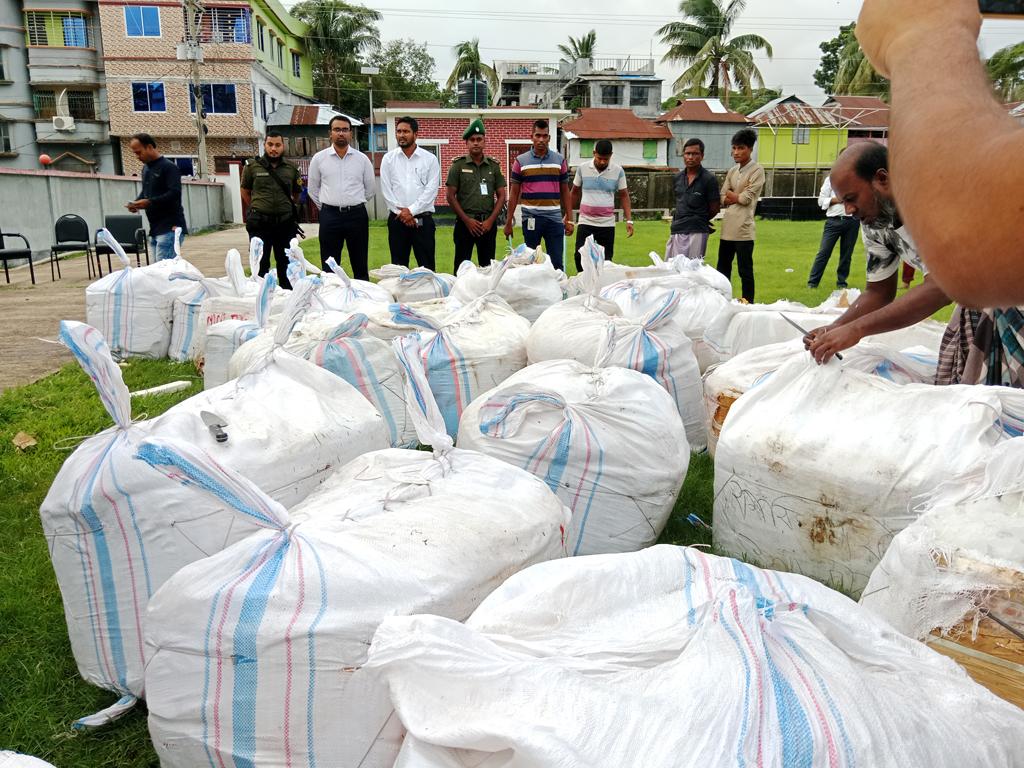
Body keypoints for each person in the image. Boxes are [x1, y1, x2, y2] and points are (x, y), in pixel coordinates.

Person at [854, 0, 1024, 307]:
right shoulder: (875, 228)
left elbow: (973, 243)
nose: (849, 209)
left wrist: (919, 29)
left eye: (851, 197)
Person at [805, 142, 984, 384]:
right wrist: (835, 328)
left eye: (851, 198)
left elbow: (941, 288)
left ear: (882, 179)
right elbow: (879, 291)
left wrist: (856, 330)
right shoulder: (875, 223)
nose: (848, 210)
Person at [307, 114, 375, 280]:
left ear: (351, 133)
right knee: (329, 264)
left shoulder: (362, 159)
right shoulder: (319, 159)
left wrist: (353, 202)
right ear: (330, 133)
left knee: (360, 263)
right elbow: (313, 189)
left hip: (356, 216)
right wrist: (327, 207)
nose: (341, 133)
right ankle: (331, 300)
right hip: (330, 216)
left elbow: (370, 189)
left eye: (345, 130)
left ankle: (362, 301)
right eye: (337, 129)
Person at [503, 119, 572, 271]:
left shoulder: (559, 160)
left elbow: (565, 191)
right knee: (531, 264)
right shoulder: (520, 161)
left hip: (554, 219)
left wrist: (570, 219)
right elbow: (514, 193)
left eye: (544, 136)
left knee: (556, 264)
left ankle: (559, 293)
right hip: (531, 219)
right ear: (531, 137)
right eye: (538, 135)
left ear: (549, 138)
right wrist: (508, 222)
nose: (541, 140)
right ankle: (534, 294)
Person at [241, 130, 303, 288]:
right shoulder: (252, 167)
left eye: (277, 145)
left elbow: (296, 193)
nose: (273, 149)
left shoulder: (292, 168)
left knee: (287, 265)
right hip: (260, 224)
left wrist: (285, 207)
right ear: (264, 145)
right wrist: (259, 206)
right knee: (260, 264)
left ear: (283, 146)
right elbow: (245, 192)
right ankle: (262, 300)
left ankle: (287, 298)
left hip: (284, 224)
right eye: (270, 144)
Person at [445, 118, 507, 271]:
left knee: (487, 269)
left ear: (485, 142)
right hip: (465, 224)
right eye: (472, 140)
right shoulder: (458, 166)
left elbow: (502, 196)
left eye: (479, 139)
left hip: (487, 224)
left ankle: (485, 295)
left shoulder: (494, 166)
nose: (476, 143)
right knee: (461, 268)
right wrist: (467, 220)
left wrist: (491, 221)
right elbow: (450, 196)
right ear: (467, 143)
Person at [380, 115, 440, 271]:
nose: (401, 135)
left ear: (416, 134)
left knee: (426, 268)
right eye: (399, 131)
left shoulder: (430, 159)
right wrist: (403, 214)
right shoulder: (388, 159)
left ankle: (429, 295)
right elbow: (386, 190)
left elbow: (431, 191)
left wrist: (411, 211)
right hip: (397, 221)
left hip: (422, 221)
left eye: (406, 131)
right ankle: (399, 296)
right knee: (398, 268)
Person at [567, 139, 633, 272]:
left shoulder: (618, 171)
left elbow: (624, 195)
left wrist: (629, 219)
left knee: (606, 261)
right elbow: (574, 193)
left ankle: (601, 287)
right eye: (599, 158)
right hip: (586, 221)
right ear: (594, 153)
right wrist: (567, 216)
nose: (602, 162)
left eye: (606, 159)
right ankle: (585, 284)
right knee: (579, 256)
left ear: (611, 155)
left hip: (606, 224)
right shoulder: (583, 168)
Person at [716, 128, 765, 302]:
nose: (736, 152)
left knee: (745, 270)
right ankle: (722, 301)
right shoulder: (732, 171)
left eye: (741, 148)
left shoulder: (757, 170)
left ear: (750, 149)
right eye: (734, 148)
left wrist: (733, 195)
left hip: (744, 229)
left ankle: (748, 303)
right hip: (727, 227)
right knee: (722, 269)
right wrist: (732, 196)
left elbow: (746, 199)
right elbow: (722, 196)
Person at [126, 133, 187, 260]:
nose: (137, 157)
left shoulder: (169, 167)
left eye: (139, 152)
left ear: (149, 147)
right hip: (155, 229)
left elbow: (174, 194)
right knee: (158, 273)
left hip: (170, 228)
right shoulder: (146, 169)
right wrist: (136, 203)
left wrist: (149, 202)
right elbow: (146, 192)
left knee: (163, 274)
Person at [665, 138, 720, 261]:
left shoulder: (709, 179)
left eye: (695, 154)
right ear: (683, 155)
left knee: (691, 271)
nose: (690, 157)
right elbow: (679, 203)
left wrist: (698, 218)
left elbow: (715, 208)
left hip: (697, 230)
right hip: (677, 228)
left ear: (702, 156)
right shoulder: (677, 178)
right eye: (687, 153)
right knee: (671, 268)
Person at [806, 173, 859, 289]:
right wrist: (839, 199)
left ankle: (842, 283)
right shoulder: (831, 180)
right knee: (824, 252)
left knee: (846, 254)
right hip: (833, 221)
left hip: (852, 221)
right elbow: (821, 201)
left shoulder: (858, 178)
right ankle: (812, 282)